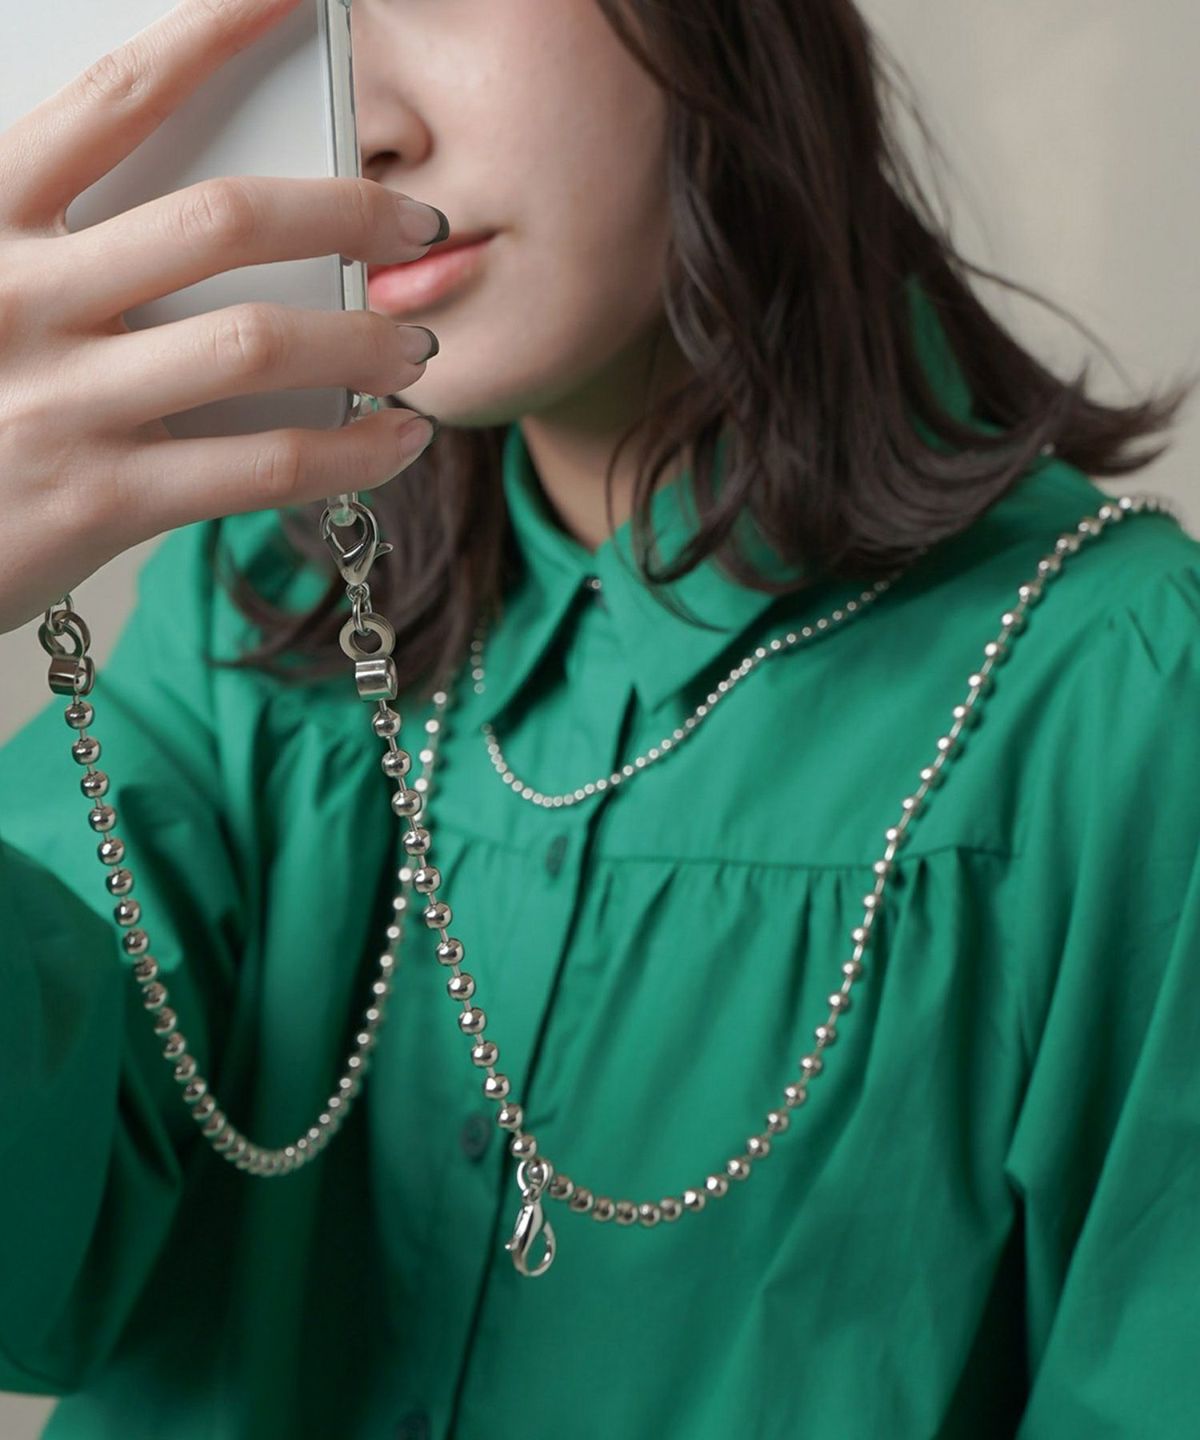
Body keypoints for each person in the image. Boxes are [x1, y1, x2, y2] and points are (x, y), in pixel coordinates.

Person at [1, 0, 1197, 1436]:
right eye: (301, 29)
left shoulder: (1121, 702)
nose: (361, 129)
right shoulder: (260, 606)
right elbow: (32, 1272)